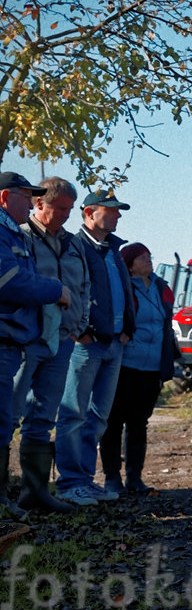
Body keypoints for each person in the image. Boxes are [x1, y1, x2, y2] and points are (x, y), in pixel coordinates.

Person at [12, 177, 90, 514]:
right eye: (59, 208)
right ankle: (5, 497)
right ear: (38, 204)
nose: (65, 216)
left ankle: (36, 492)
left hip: (61, 343)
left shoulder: (73, 244)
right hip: (25, 341)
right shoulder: (21, 238)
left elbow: (84, 287)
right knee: (9, 413)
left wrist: (78, 326)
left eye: (69, 210)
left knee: (44, 417)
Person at [55, 189, 135, 506]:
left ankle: (85, 481)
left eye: (118, 210)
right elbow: (69, 290)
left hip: (114, 344)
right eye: (111, 210)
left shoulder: (112, 250)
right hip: (86, 345)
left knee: (99, 417)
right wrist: (80, 330)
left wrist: (128, 327)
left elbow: (123, 291)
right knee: (73, 414)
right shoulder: (74, 247)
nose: (117, 215)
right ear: (89, 213)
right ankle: (69, 484)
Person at [0, 172, 70, 519]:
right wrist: (55, 290)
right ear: (3, 198)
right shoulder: (9, 234)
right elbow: (11, 282)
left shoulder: (16, 233)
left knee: (37, 417)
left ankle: (33, 492)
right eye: (24, 196)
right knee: (5, 418)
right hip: (13, 339)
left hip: (36, 338)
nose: (29, 202)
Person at [100, 243, 175, 494]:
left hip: (152, 366)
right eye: (143, 257)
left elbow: (166, 325)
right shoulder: (122, 287)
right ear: (130, 263)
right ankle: (112, 478)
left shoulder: (161, 287)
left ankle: (135, 478)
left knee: (139, 422)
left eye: (149, 256)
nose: (149, 260)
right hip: (125, 364)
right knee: (114, 420)